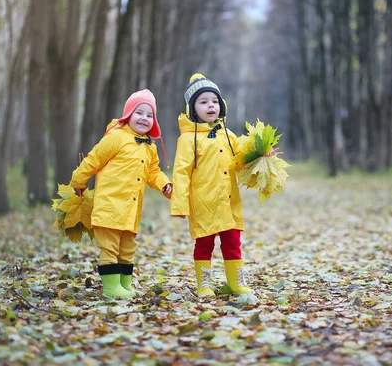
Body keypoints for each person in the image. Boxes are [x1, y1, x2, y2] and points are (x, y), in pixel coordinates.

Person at [171, 73, 280, 298]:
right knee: (204, 244)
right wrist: (180, 205)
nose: (210, 106)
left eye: (214, 101)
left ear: (221, 106)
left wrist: (263, 157)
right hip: (204, 202)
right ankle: (204, 284)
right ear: (193, 109)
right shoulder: (188, 139)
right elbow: (181, 173)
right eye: (203, 102)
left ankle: (235, 282)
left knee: (232, 242)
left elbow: (241, 161)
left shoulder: (228, 135)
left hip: (229, 202)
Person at [70, 89, 172, 300]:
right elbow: (93, 160)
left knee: (127, 249)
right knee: (110, 248)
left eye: (149, 115)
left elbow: (153, 171)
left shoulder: (150, 146)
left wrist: (164, 184)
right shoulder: (116, 137)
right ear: (128, 115)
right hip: (109, 205)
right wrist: (78, 181)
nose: (144, 118)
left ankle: (125, 285)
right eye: (139, 113)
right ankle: (111, 288)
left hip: (131, 209)